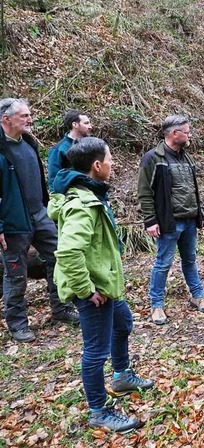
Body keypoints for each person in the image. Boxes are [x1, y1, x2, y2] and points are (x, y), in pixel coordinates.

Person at [48, 137, 154, 433]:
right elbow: (69, 252)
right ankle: (99, 411)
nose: (113, 163)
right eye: (109, 159)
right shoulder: (82, 203)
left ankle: (121, 376)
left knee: (123, 324)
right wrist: (86, 290)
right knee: (95, 351)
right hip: (94, 290)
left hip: (105, 284)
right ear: (96, 166)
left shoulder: (90, 193)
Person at [0, 98, 78, 343]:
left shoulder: (29, 144)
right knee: (15, 274)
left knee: (60, 256)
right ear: (6, 119)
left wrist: (47, 209)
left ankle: (61, 309)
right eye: (24, 116)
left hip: (39, 216)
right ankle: (18, 324)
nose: (30, 119)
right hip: (13, 223)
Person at [137, 115, 204, 325]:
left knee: (190, 261)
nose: (190, 135)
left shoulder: (187, 158)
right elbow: (144, 193)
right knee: (163, 264)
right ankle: (157, 305)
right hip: (169, 223)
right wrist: (150, 220)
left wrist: (201, 213)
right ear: (174, 134)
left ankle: (198, 296)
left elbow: (192, 189)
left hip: (189, 221)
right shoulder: (153, 158)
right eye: (186, 132)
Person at [48, 110, 92, 190]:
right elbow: (53, 180)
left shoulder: (91, 145)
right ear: (75, 124)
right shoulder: (58, 149)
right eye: (86, 123)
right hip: (72, 195)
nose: (90, 127)